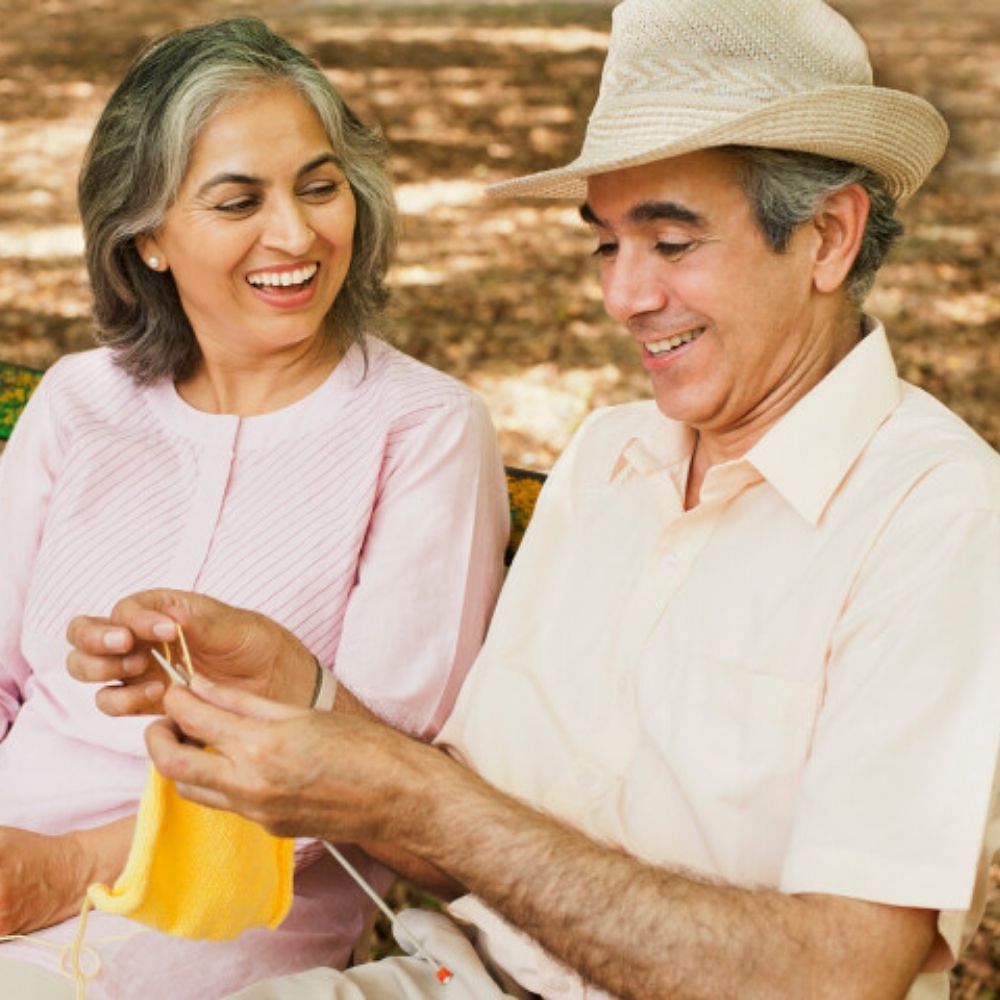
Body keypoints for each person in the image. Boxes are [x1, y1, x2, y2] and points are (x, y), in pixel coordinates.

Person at [68, 0, 1000, 997]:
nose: (621, 295)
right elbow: (468, 831)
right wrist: (297, 692)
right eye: (607, 244)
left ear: (826, 237)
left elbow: (837, 977)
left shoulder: (935, 514)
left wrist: (419, 801)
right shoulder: (611, 455)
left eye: (670, 243)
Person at [0, 16, 509, 1000]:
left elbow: (375, 773)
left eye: (319, 187)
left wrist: (61, 871)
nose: (297, 233)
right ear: (146, 235)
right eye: (240, 200)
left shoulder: (423, 428)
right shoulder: (79, 403)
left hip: (198, 936)